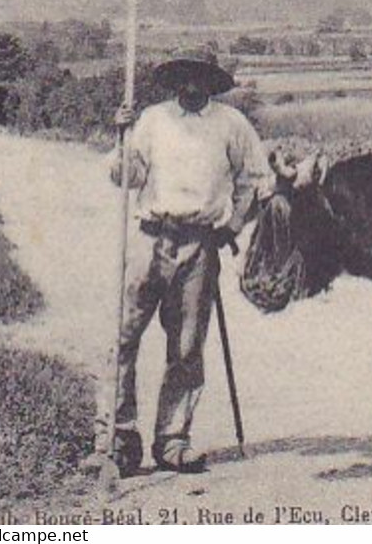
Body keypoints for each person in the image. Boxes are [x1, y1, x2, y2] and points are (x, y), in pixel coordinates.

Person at [106, 49, 269, 475]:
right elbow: (127, 178)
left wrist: (232, 225)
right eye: (184, 76)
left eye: (199, 77)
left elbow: (256, 178)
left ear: (211, 81)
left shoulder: (231, 125)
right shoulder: (152, 120)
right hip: (150, 237)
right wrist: (120, 138)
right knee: (123, 335)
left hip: (200, 245)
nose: (190, 84)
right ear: (175, 80)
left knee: (186, 347)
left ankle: (173, 440)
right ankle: (118, 437)